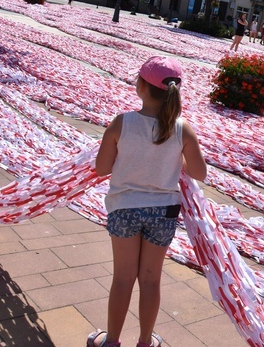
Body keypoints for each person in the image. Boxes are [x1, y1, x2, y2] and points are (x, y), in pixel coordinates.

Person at [88, 56, 207, 347]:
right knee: (151, 279)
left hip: (124, 209)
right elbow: (200, 173)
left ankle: (112, 341)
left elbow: (102, 168)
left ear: (141, 86)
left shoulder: (122, 123)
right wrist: (176, 160)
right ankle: (144, 342)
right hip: (164, 213)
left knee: (123, 277)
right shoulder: (182, 129)